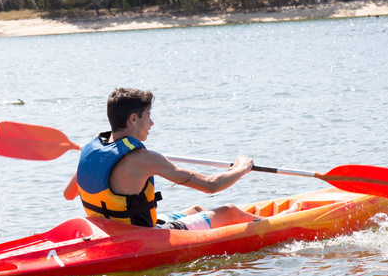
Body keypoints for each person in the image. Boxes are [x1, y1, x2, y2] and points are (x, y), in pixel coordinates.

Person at [69, 87, 261, 230]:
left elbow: (68, 194)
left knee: (196, 210)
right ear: (133, 119)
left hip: (109, 231)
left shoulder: (90, 150)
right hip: (143, 236)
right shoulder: (145, 159)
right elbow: (211, 185)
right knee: (229, 211)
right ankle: (278, 223)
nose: (152, 123)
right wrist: (242, 168)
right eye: (148, 116)